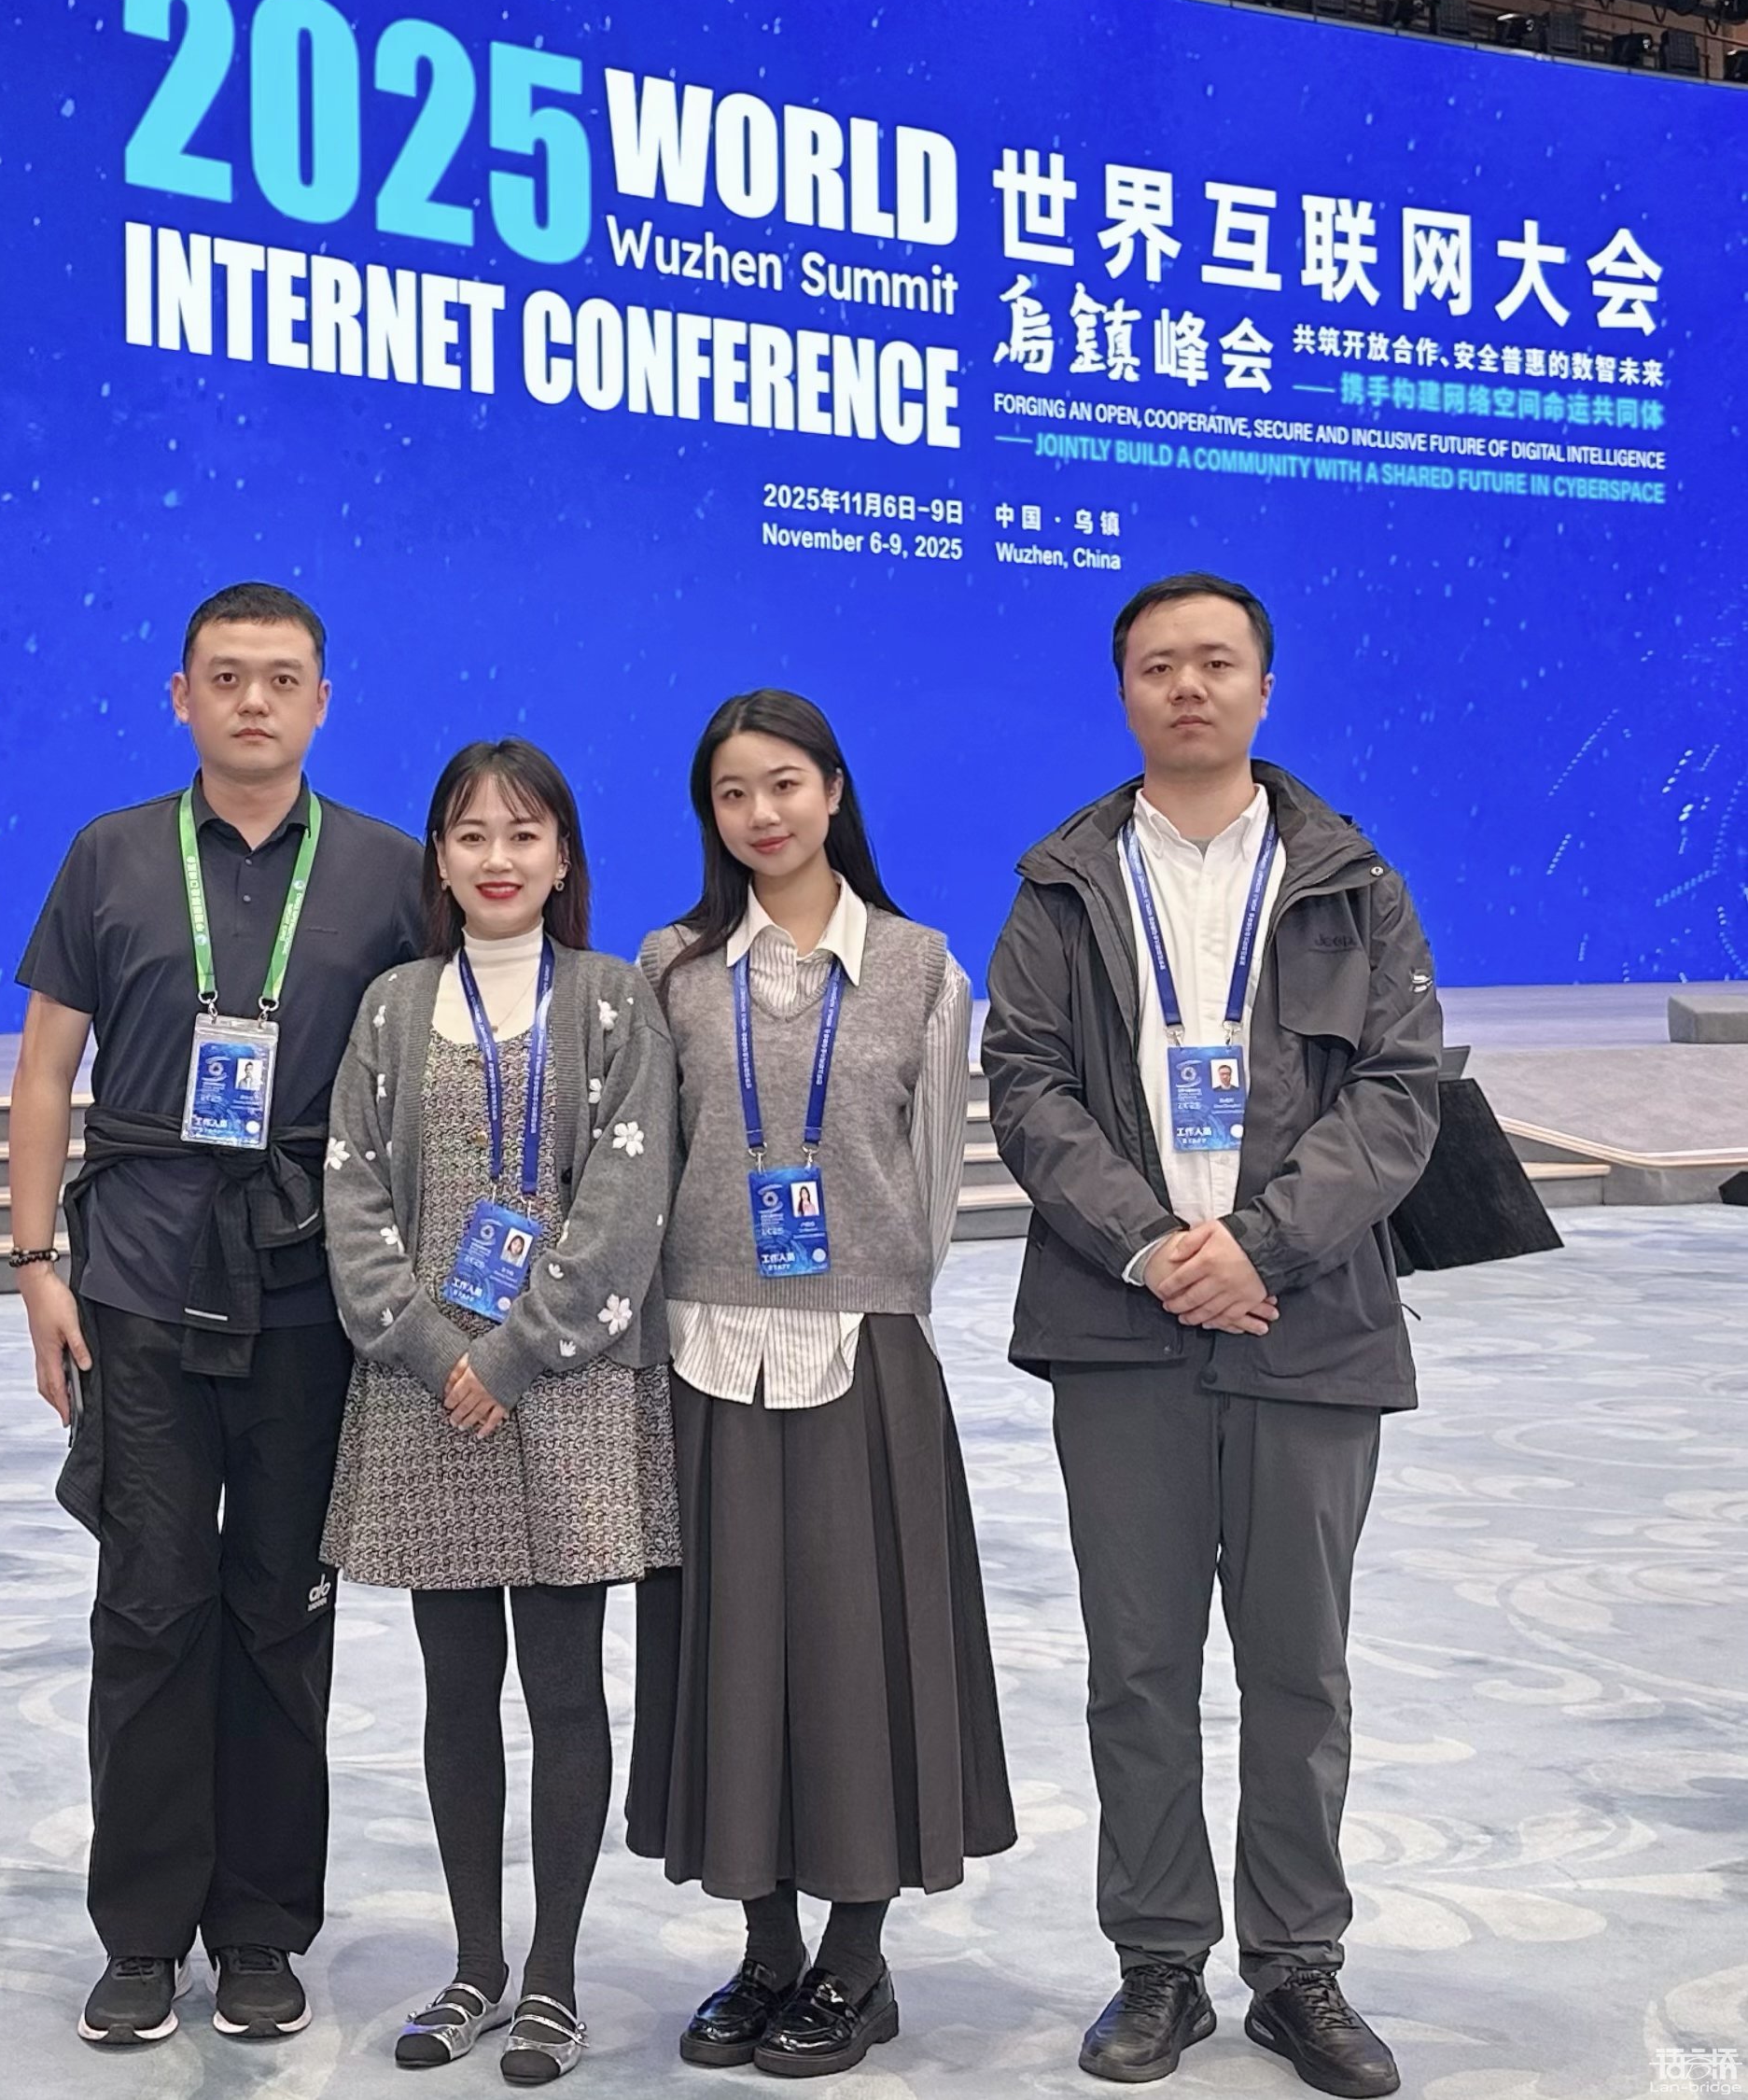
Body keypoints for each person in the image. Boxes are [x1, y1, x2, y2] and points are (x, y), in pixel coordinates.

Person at [981, 574, 1441, 2097]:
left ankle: (1299, 1966)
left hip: (1309, 1322)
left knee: (1301, 1669)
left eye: (1217, 662)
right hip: (1120, 1327)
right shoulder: (1063, 881)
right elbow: (1027, 1083)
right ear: (1125, 690)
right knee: (1140, 1666)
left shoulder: (1350, 881)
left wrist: (1259, 1245)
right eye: (1159, 665)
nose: (1188, 685)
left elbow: (1399, 1091)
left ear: (1263, 686)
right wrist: (1152, 1246)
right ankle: (1159, 1963)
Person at [7, 581, 425, 2046]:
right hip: (135, 1277)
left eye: (283, 677)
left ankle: (258, 1929)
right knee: (147, 1609)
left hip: (310, 1289)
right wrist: (35, 1262)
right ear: (180, 695)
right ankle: (139, 1935)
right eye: (227, 676)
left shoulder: (390, 869)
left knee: (281, 1614)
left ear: (323, 701)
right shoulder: (110, 854)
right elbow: (46, 1071)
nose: (255, 700)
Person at [628, 690, 1015, 2081]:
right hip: (706, 1355)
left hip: (862, 1354)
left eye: (785, 784)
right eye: (732, 792)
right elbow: (651, 1162)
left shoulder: (920, 966)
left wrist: (879, 1290)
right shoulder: (670, 967)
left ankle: (857, 1958)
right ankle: (766, 1950)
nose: (762, 814)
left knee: (861, 1659)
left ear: (835, 792)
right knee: (732, 1659)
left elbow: (933, 1181)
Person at [322, 738, 678, 2087]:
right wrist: (431, 1347)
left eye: (524, 833)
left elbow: (627, 1207)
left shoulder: (614, 1000)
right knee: (455, 1690)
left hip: (570, 1391)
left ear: (564, 856)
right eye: (471, 834)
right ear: (441, 857)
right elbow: (352, 1192)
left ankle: (556, 1979)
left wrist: (517, 1353)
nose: (498, 857)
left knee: (567, 1690)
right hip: (427, 1396)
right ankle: (476, 1963)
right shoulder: (392, 1006)